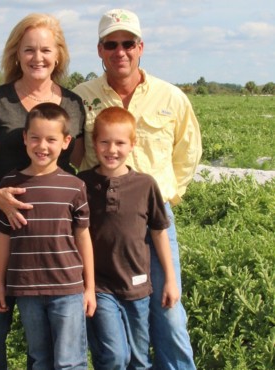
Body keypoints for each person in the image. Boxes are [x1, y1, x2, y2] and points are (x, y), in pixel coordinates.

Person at [73, 8, 202, 370]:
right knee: (108, 311)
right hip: (102, 224)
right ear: (99, 50)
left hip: (155, 222)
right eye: (111, 44)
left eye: (128, 43)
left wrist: (166, 195)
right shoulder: (81, 97)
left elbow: (188, 150)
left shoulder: (170, 97)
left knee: (169, 313)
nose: (120, 51)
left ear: (140, 46)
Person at [0, 13, 86, 370]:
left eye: (46, 50)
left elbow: (75, 163)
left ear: (59, 55)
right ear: (16, 54)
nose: (38, 57)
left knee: (53, 333)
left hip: (53, 236)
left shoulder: (72, 104)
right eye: (29, 49)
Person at [0, 103, 96, 369]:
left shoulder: (74, 186)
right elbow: (4, 238)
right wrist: (0, 284)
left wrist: (89, 287)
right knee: (39, 358)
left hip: (68, 288)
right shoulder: (10, 186)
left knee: (70, 361)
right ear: (24, 138)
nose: (42, 146)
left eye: (51, 139)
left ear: (66, 141)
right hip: (27, 289)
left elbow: (83, 237)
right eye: (35, 137)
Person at [78, 107, 180, 370]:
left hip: (138, 286)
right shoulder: (82, 184)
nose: (112, 150)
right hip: (100, 286)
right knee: (113, 357)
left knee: (139, 359)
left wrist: (169, 279)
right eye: (105, 142)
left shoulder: (145, 185)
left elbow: (159, 231)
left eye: (120, 143)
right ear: (94, 143)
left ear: (133, 145)